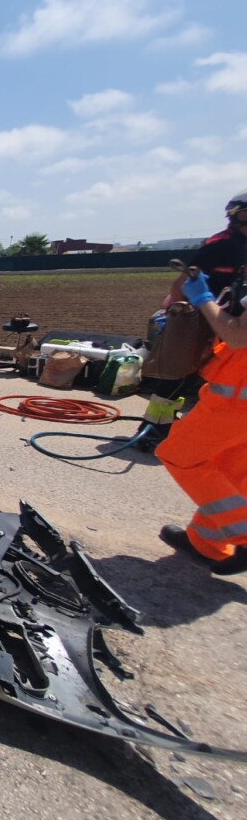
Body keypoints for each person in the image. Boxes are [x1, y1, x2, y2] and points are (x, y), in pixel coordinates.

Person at [157, 192, 247, 575]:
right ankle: (210, 543)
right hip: (234, 386)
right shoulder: (221, 248)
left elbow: (240, 335)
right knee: (232, 468)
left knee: (180, 454)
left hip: (238, 393)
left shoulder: (221, 246)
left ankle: (242, 535)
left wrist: (203, 299)